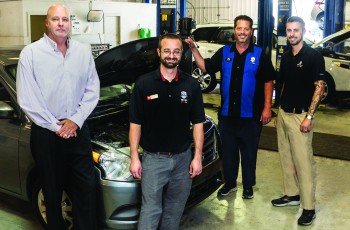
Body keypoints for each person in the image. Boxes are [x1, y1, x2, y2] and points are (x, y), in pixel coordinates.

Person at [16, 4, 100, 230]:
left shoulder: (83, 51)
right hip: (46, 135)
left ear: (70, 22)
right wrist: (57, 127)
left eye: (65, 19)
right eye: (55, 19)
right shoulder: (31, 54)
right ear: (47, 23)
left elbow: (93, 90)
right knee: (52, 193)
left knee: (86, 189)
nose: (61, 23)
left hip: (78, 131)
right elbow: (28, 100)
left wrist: (75, 121)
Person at [186, 15, 275, 199]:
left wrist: (267, 107)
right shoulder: (225, 52)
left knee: (249, 154)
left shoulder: (259, 55)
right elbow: (205, 67)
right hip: (227, 115)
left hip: (251, 116)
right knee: (228, 152)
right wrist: (194, 50)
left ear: (251, 31)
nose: (242, 32)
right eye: (239, 28)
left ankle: (248, 186)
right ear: (234, 30)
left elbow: (268, 81)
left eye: (246, 29)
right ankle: (230, 184)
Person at [129, 33, 205, 230]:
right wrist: (134, 157)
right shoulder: (144, 84)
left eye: (176, 51)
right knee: (150, 211)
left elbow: (198, 123)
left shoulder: (191, 85)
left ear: (181, 55)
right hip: (154, 160)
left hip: (182, 160)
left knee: (174, 211)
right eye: (167, 51)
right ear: (158, 52)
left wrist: (197, 157)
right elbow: (135, 124)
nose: (171, 55)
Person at [270, 16, 325, 226]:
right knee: (286, 158)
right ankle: (292, 195)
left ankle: (309, 207)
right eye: (289, 30)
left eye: (296, 30)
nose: (292, 34)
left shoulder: (313, 56)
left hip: (301, 117)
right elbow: (282, 85)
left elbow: (319, 87)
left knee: (304, 163)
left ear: (303, 31)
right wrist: (279, 113)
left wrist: (309, 116)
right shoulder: (285, 56)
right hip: (284, 114)